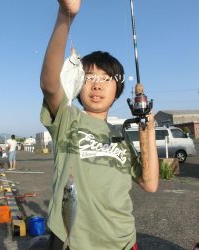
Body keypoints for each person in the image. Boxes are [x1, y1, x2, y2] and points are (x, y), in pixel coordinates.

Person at [40, 1, 159, 250]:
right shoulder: (67, 117)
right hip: (71, 240)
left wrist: (148, 130)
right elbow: (50, 84)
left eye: (106, 79)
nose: (97, 85)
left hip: (122, 240)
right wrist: (65, 16)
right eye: (90, 78)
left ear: (118, 91)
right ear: (77, 83)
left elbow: (150, 184)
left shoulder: (121, 136)